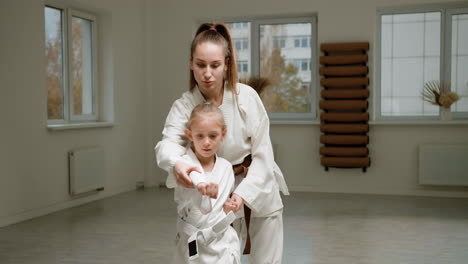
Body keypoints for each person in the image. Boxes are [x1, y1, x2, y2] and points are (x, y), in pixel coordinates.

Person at [155, 22, 289, 264]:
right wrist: (177, 164)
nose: (207, 73)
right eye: (201, 64)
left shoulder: (246, 97)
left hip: (258, 189)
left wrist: (243, 194)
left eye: (215, 65)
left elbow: (263, 155)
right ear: (190, 63)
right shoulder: (185, 105)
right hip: (215, 199)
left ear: (226, 64)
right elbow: (167, 145)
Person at [170, 103, 240, 263]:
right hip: (192, 241)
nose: (206, 142)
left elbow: (220, 205)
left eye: (212, 136)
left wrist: (229, 207)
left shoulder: (226, 168)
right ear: (190, 134)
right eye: (200, 135)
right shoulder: (184, 166)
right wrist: (202, 189)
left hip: (221, 243)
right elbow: (199, 205)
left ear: (223, 134)